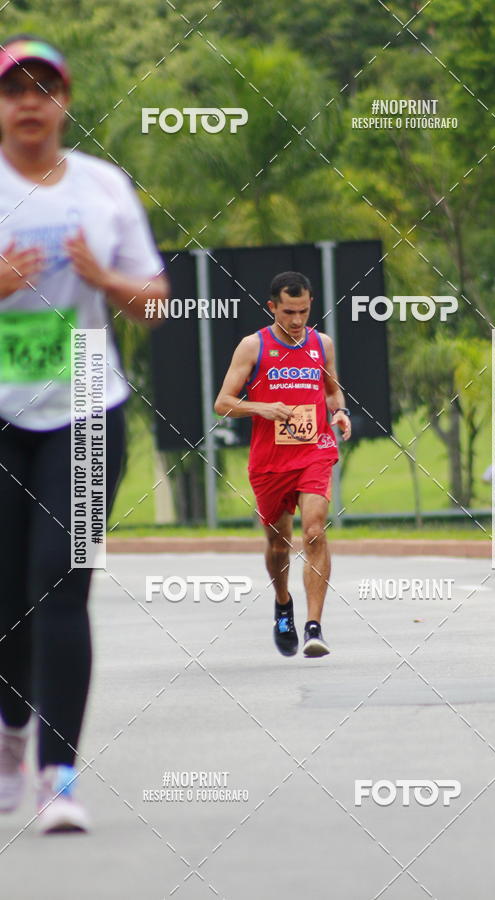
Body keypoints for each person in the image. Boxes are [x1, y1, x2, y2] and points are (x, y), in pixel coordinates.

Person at [0, 36, 167, 832]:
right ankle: (9, 736)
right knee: (6, 597)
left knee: (61, 584)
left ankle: (59, 778)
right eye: (14, 90)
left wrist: (103, 280)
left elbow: (159, 301)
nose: (30, 102)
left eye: (45, 88)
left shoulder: (104, 188)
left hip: (87, 412)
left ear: (65, 102)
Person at [214, 271, 351, 658]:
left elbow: (332, 389)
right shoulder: (252, 346)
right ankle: (282, 603)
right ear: (272, 306)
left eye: (304, 311)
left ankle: (314, 627)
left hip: (314, 451)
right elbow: (223, 402)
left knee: (313, 531)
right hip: (270, 461)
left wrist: (339, 412)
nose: (296, 320)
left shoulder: (321, 344)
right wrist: (263, 407)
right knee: (279, 543)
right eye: (289, 311)